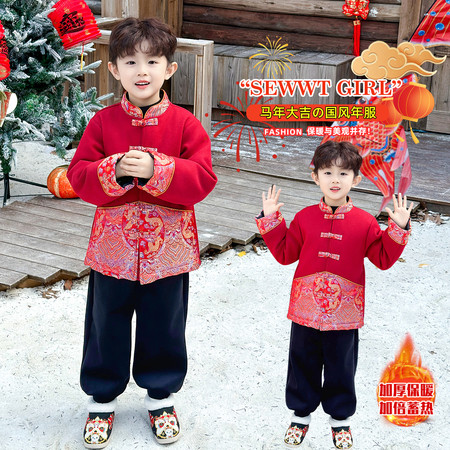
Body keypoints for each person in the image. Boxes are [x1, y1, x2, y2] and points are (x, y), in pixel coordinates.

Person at [67, 17, 217, 448]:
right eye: (130, 62)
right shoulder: (102, 123)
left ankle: (160, 397)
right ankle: (101, 398)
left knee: (164, 324)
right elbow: (78, 176)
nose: (142, 71)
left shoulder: (186, 124)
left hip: (167, 250)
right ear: (114, 69)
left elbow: (203, 179)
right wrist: (111, 169)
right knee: (105, 323)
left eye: (152, 61)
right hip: (113, 248)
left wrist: (159, 169)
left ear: (170, 68)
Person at [255, 141, 413, 449]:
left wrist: (399, 227)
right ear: (315, 177)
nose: (335, 180)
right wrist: (270, 219)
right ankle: (300, 415)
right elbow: (286, 253)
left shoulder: (365, 222)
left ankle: (340, 420)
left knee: (341, 366)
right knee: (302, 362)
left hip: (345, 313)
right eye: (327, 172)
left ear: (356, 179)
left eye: (343, 173)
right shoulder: (304, 218)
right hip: (305, 309)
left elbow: (382, 258)